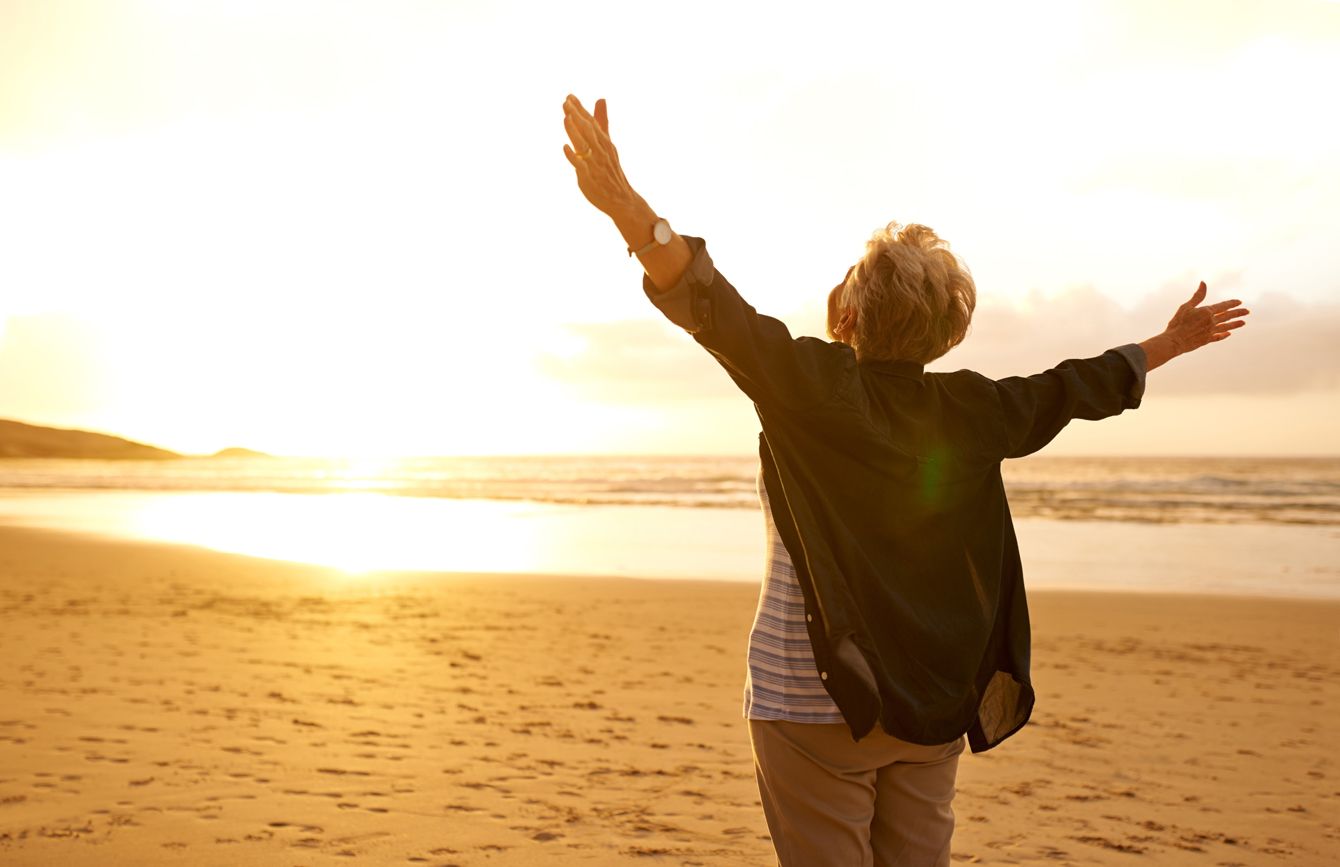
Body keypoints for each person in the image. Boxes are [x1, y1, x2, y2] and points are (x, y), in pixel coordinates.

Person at [560, 94, 1250, 867]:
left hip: (811, 703)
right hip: (929, 704)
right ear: (948, 330)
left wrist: (626, 208)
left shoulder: (806, 383)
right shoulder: (974, 407)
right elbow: (1069, 387)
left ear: (847, 316)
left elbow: (705, 300)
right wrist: (1166, 342)